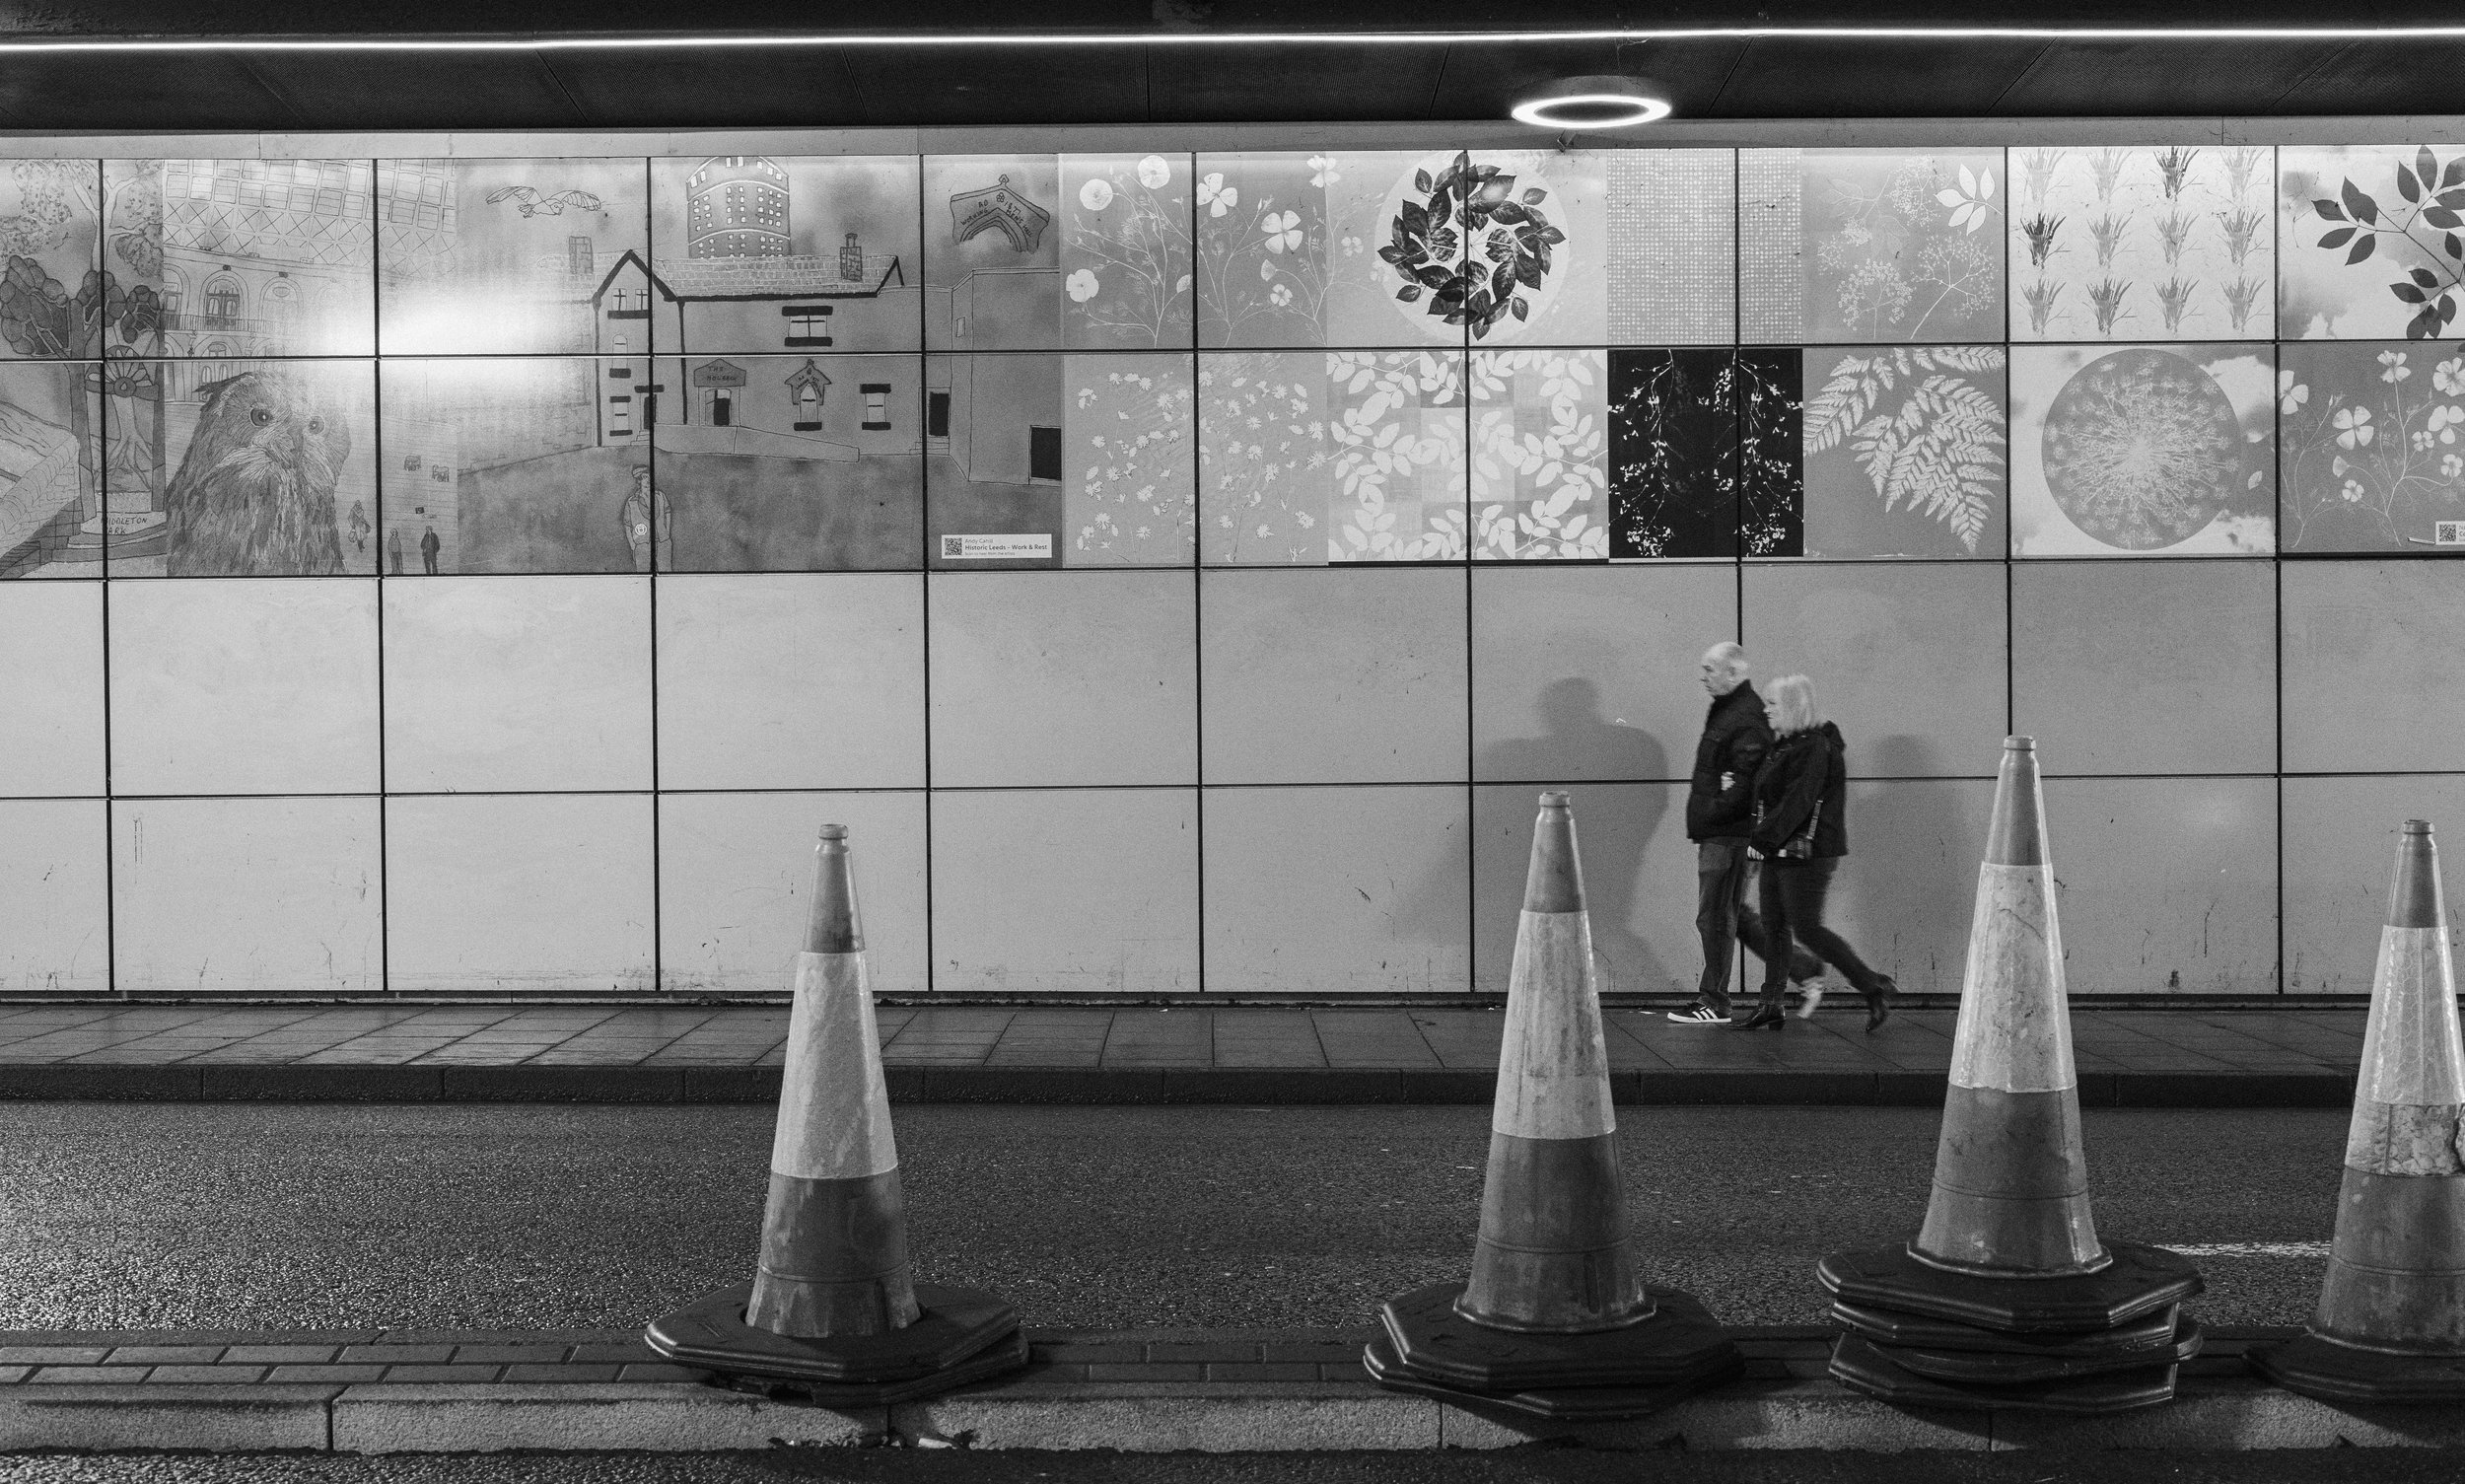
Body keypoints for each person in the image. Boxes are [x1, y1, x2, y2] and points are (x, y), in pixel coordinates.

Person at [1668, 642, 1824, 1026]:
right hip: (1723, 831)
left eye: (1710, 669)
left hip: (1730, 834)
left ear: (1734, 673)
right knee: (1731, 912)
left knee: (1715, 917)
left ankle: (1715, 1002)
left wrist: (1714, 808)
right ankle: (1805, 969)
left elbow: (1746, 781)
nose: (1702, 677)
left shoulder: (1745, 716)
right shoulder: (1730, 711)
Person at [1741, 673, 1898, 1033]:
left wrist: (1760, 841)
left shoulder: (1814, 748)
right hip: (1781, 850)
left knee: (1807, 928)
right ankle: (1771, 1004)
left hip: (1805, 853)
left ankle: (1872, 986)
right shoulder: (1785, 745)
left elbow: (1799, 801)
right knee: (1775, 928)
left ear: (1794, 707)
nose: (1765, 710)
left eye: (1772, 704)